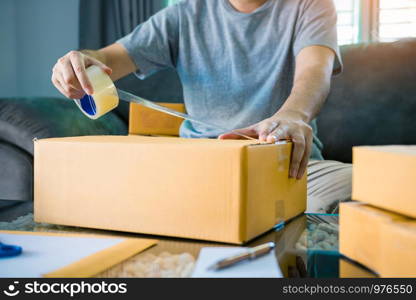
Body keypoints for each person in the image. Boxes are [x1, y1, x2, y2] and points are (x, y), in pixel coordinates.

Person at [51, 0, 352, 213]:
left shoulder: (312, 5)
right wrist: (81, 63)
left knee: (376, 192)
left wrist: (293, 115)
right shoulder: (182, 15)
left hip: (289, 165)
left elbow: (315, 70)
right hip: (201, 167)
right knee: (101, 199)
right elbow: (107, 60)